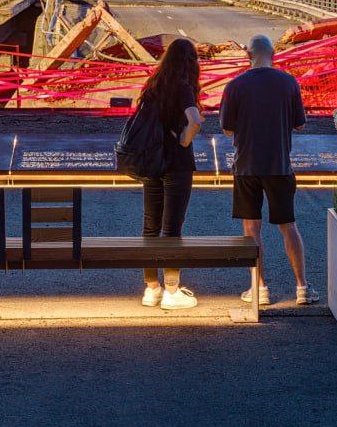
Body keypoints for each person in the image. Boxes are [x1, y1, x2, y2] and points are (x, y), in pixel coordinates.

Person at [219, 34, 319, 306]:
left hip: (246, 165)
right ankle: (302, 288)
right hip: (279, 164)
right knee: (288, 226)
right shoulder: (288, 82)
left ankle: (259, 288)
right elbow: (299, 124)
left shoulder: (235, 85)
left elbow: (227, 128)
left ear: (248, 55)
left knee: (252, 228)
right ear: (273, 54)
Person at [137, 37, 204, 310]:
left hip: (151, 161)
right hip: (176, 164)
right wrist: (186, 139)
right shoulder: (183, 87)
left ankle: (151, 288)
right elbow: (195, 120)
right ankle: (172, 291)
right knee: (172, 228)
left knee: (150, 226)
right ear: (189, 61)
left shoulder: (152, 86)